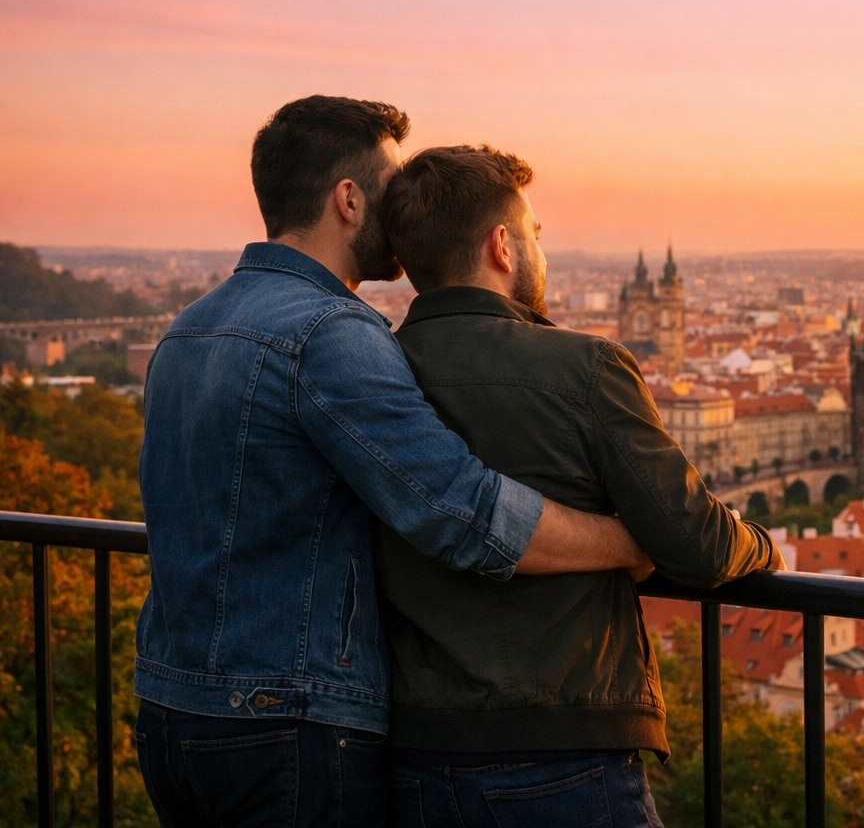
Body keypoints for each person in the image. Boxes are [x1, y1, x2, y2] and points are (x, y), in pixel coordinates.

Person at [134, 97, 653, 828]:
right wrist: (630, 540)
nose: (403, 210)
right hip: (288, 722)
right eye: (390, 187)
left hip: (170, 710)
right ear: (348, 200)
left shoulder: (188, 330)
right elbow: (460, 513)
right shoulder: (330, 332)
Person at [377, 144, 783, 828]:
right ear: (501, 246)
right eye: (535, 235)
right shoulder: (585, 367)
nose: (542, 251)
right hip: (561, 749)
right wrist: (763, 546)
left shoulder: (369, 373)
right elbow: (701, 547)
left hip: (408, 752)